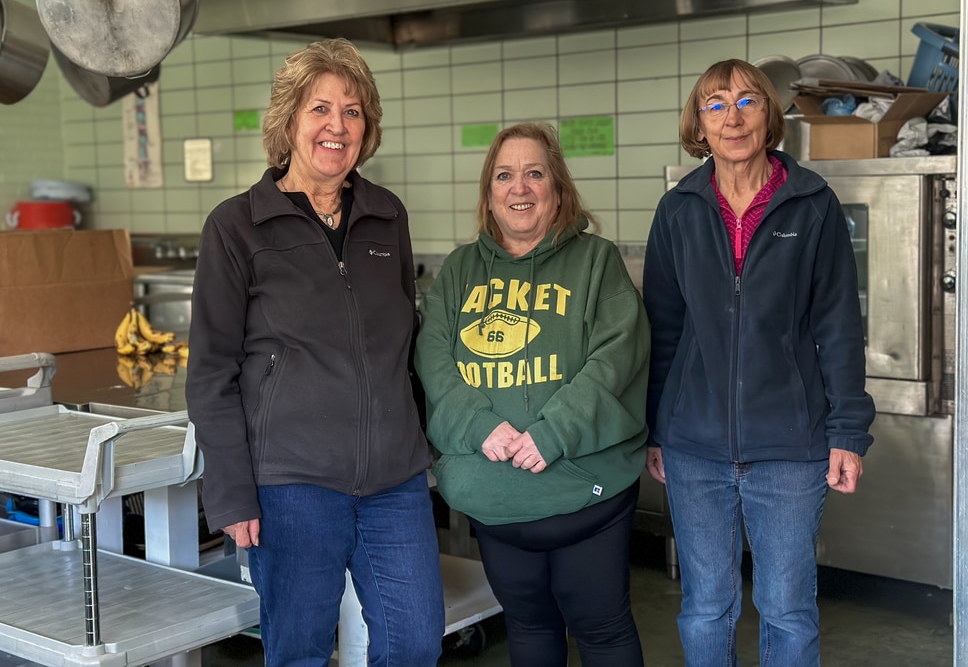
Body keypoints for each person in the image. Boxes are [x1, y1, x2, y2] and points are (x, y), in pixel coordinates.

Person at [185, 38, 445, 667]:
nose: (337, 125)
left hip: (394, 481)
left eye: (353, 111)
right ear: (289, 122)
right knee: (299, 650)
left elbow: (404, 341)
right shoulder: (237, 226)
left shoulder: (388, 217)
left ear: (368, 128)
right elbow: (212, 370)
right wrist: (231, 492)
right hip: (292, 484)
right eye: (320, 109)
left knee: (415, 643)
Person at [642, 58, 875, 666]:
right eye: (715, 104)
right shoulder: (678, 211)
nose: (733, 116)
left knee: (788, 612)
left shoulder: (812, 204)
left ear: (769, 114)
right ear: (699, 123)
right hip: (695, 448)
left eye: (747, 101)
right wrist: (659, 430)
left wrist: (848, 431)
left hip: (790, 448)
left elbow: (840, 327)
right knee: (704, 608)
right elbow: (664, 331)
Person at [415, 121, 650, 667]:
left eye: (534, 173)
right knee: (529, 628)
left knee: (602, 630)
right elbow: (434, 361)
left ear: (558, 189)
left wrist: (552, 433)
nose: (518, 188)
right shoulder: (458, 271)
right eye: (504, 175)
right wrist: (480, 427)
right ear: (489, 194)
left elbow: (616, 360)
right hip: (494, 497)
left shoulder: (597, 262)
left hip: (583, 493)